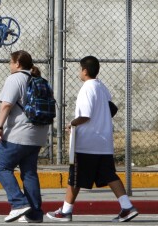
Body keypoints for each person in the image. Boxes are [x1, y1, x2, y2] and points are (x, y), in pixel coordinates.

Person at [47, 55, 139, 223]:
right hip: (103, 142)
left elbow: (85, 116)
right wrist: (100, 119)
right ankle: (127, 207)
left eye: (79, 69)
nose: (78, 73)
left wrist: (70, 124)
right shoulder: (101, 87)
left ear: (85, 71)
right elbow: (112, 109)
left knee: (74, 177)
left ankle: (66, 211)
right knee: (110, 175)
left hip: (87, 143)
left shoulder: (87, 88)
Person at [0, 50, 49, 223]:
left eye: (10, 62)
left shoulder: (15, 78)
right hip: (38, 135)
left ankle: (18, 203)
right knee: (29, 172)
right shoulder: (40, 80)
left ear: (17, 64)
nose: (10, 66)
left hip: (19, 133)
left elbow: (6, 105)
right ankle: (34, 213)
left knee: (2, 166)